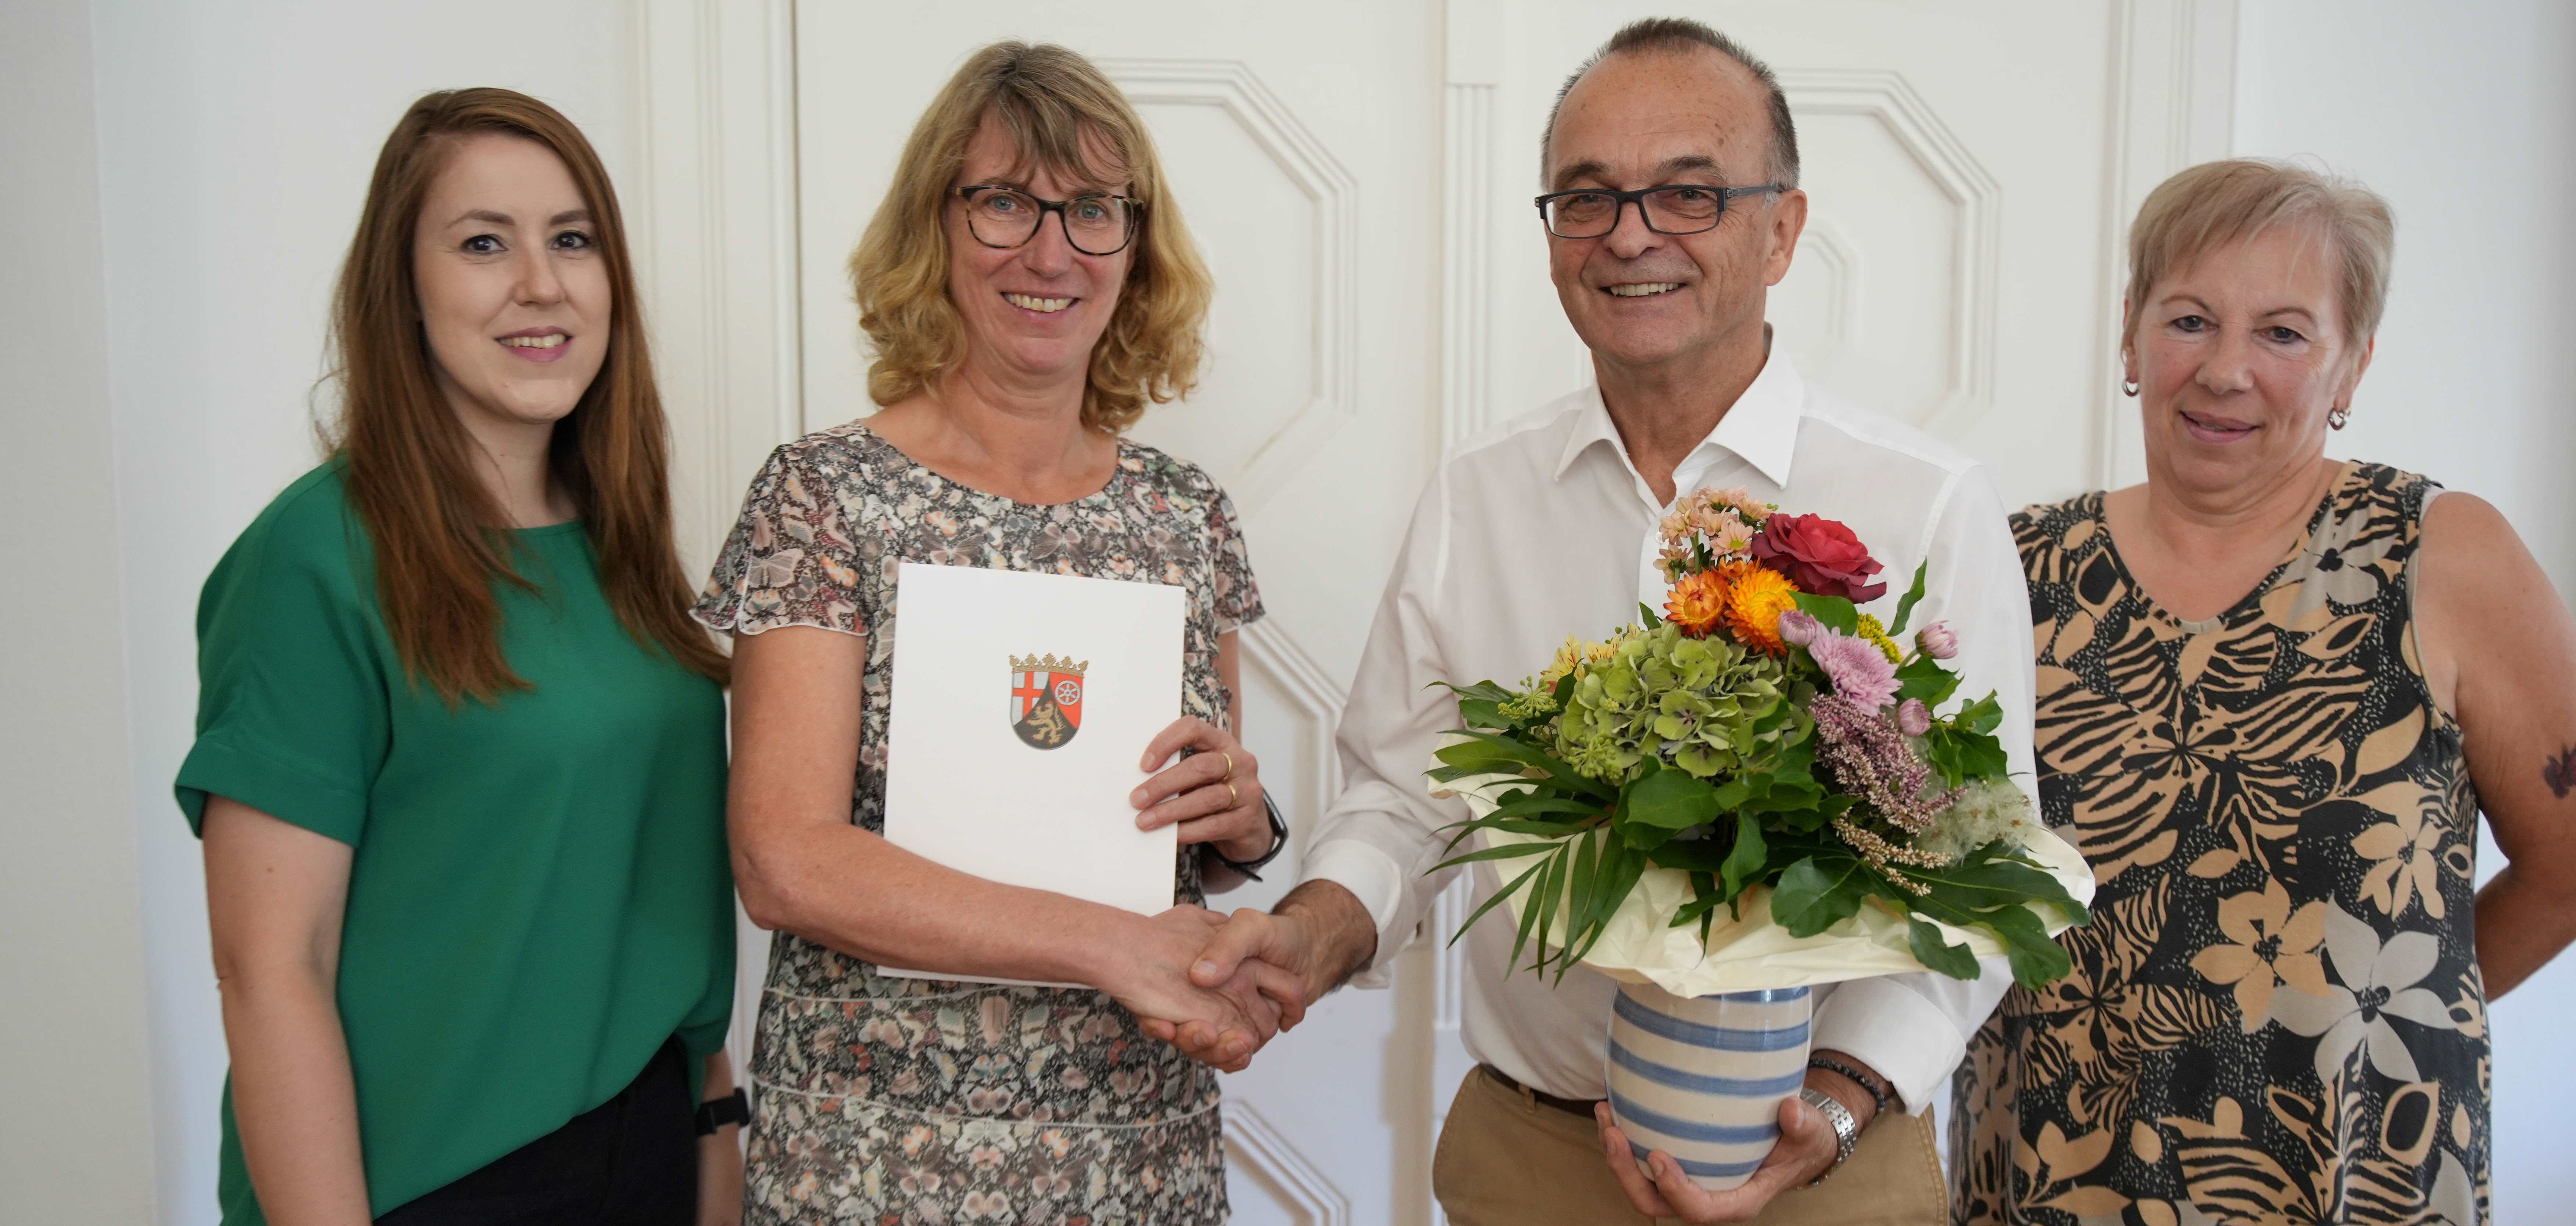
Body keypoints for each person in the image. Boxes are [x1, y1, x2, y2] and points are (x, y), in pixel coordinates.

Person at [1174, 18, 2031, 1225]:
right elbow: (1408, 795)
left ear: (1782, 229)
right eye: (1586, 199)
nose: (1630, 235)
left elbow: (1982, 866)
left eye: (1687, 193)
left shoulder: (1926, 503)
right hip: (1532, 1161)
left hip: (1824, 1165)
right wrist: (1315, 933)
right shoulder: (1480, 496)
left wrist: (1834, 1107)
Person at [694, 41, 1297, 1226]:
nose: (1051, 250)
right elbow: (782, 860)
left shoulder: (1185, 514)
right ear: (938, 226)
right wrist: (1113, 946)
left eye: (1091, 211)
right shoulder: (825, 497)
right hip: (879, 1157)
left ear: (1138, 244)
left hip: (1135, 1149)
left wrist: (1243, 820)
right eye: (1006, 202)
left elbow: (1201, 835)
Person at [1950, 159, 2576, 1226]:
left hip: (2344, 1181)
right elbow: (1945, 877)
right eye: (2190, 319)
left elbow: (2569, 868)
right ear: (2133, 340)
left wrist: (2398, 1017)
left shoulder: (2437, 554)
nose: (2227, 371)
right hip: (2052, 1168)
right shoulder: (2016, 568)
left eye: (2284, 333)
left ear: (2353, 367)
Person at [180, 89, 743, 1225]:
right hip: (423, 1185)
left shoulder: (621, 547)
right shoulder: (316, 559)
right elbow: (268, 969)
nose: (541, 284)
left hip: (643, 1152)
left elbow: (656, 904)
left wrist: (713, 1143)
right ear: (406, 288)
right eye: (485, 242)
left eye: (572, 240)